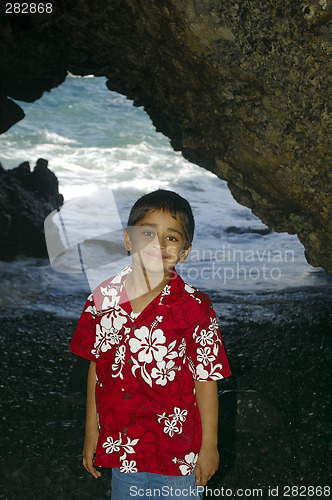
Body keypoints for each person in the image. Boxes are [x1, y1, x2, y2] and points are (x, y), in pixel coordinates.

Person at [69, 189, 231, 499]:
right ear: (128, 239)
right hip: (123, 446)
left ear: (184, 252)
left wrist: (209, 445)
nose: (158, 244)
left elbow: (206, 378)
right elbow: (97, 369)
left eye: (171, 238)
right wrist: (93, 431)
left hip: (178, 451)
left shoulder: (195, 307)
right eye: (147, 233)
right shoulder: (103, 298)